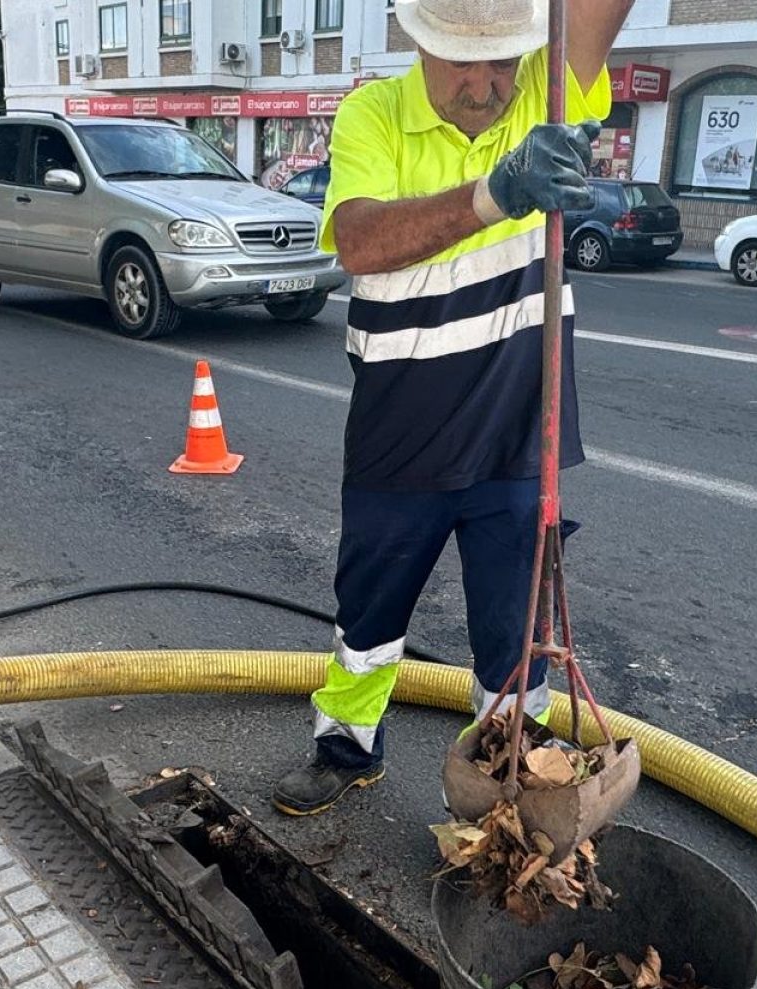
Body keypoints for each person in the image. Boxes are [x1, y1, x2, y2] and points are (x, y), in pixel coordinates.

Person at [270, 0, 636, 817]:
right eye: (465, 64)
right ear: (422, 46)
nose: (488, 85)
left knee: (513, 634)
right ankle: (346, 747)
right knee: (368, 616)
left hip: (516, 437)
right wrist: (496, 194)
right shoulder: (375, 114)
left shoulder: (545, 90)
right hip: (401, 434)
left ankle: (512, 776)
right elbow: (359, 241)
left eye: (502, 61)